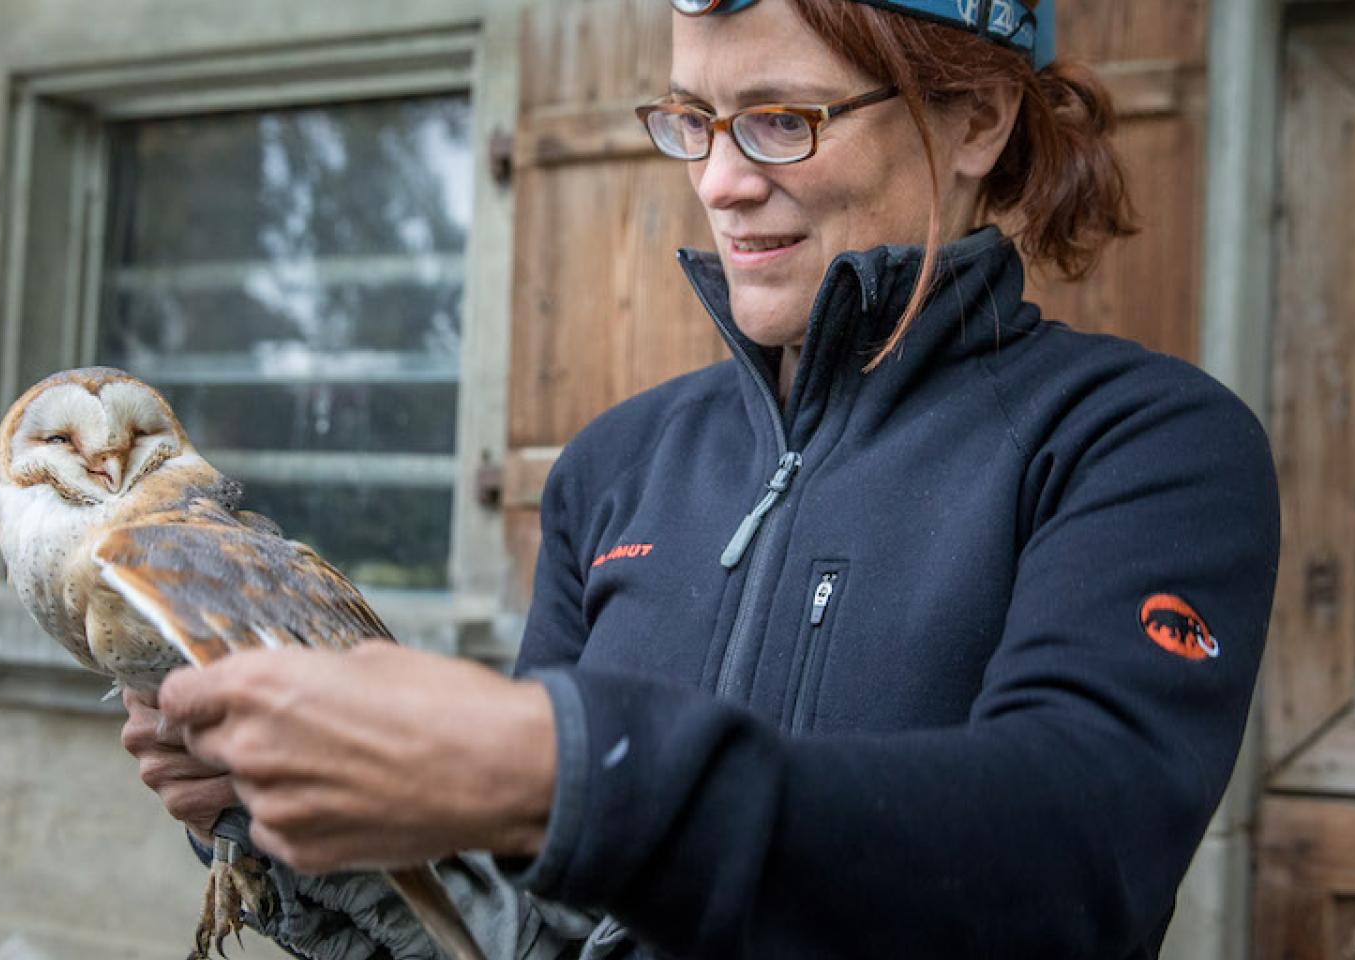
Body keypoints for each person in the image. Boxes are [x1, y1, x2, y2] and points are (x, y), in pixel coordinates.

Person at [123, 0, 1281, 956]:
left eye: (782, 119)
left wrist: (559, 771)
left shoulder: (1142, 447)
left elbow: (1071, 857)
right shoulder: (616, 468)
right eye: (695, 120)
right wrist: (283, 821)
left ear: (974, 119)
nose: (721, 181)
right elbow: (528, 937)